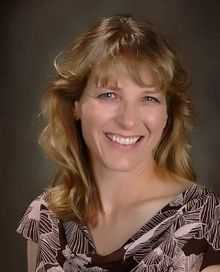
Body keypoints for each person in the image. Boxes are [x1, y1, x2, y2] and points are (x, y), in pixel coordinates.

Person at [17, 15, 220, 272]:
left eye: (148, 98)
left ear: (167, 113)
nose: (128, 120)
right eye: (109, 95)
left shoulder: (205, 218)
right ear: (76, 106)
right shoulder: (45, 217)